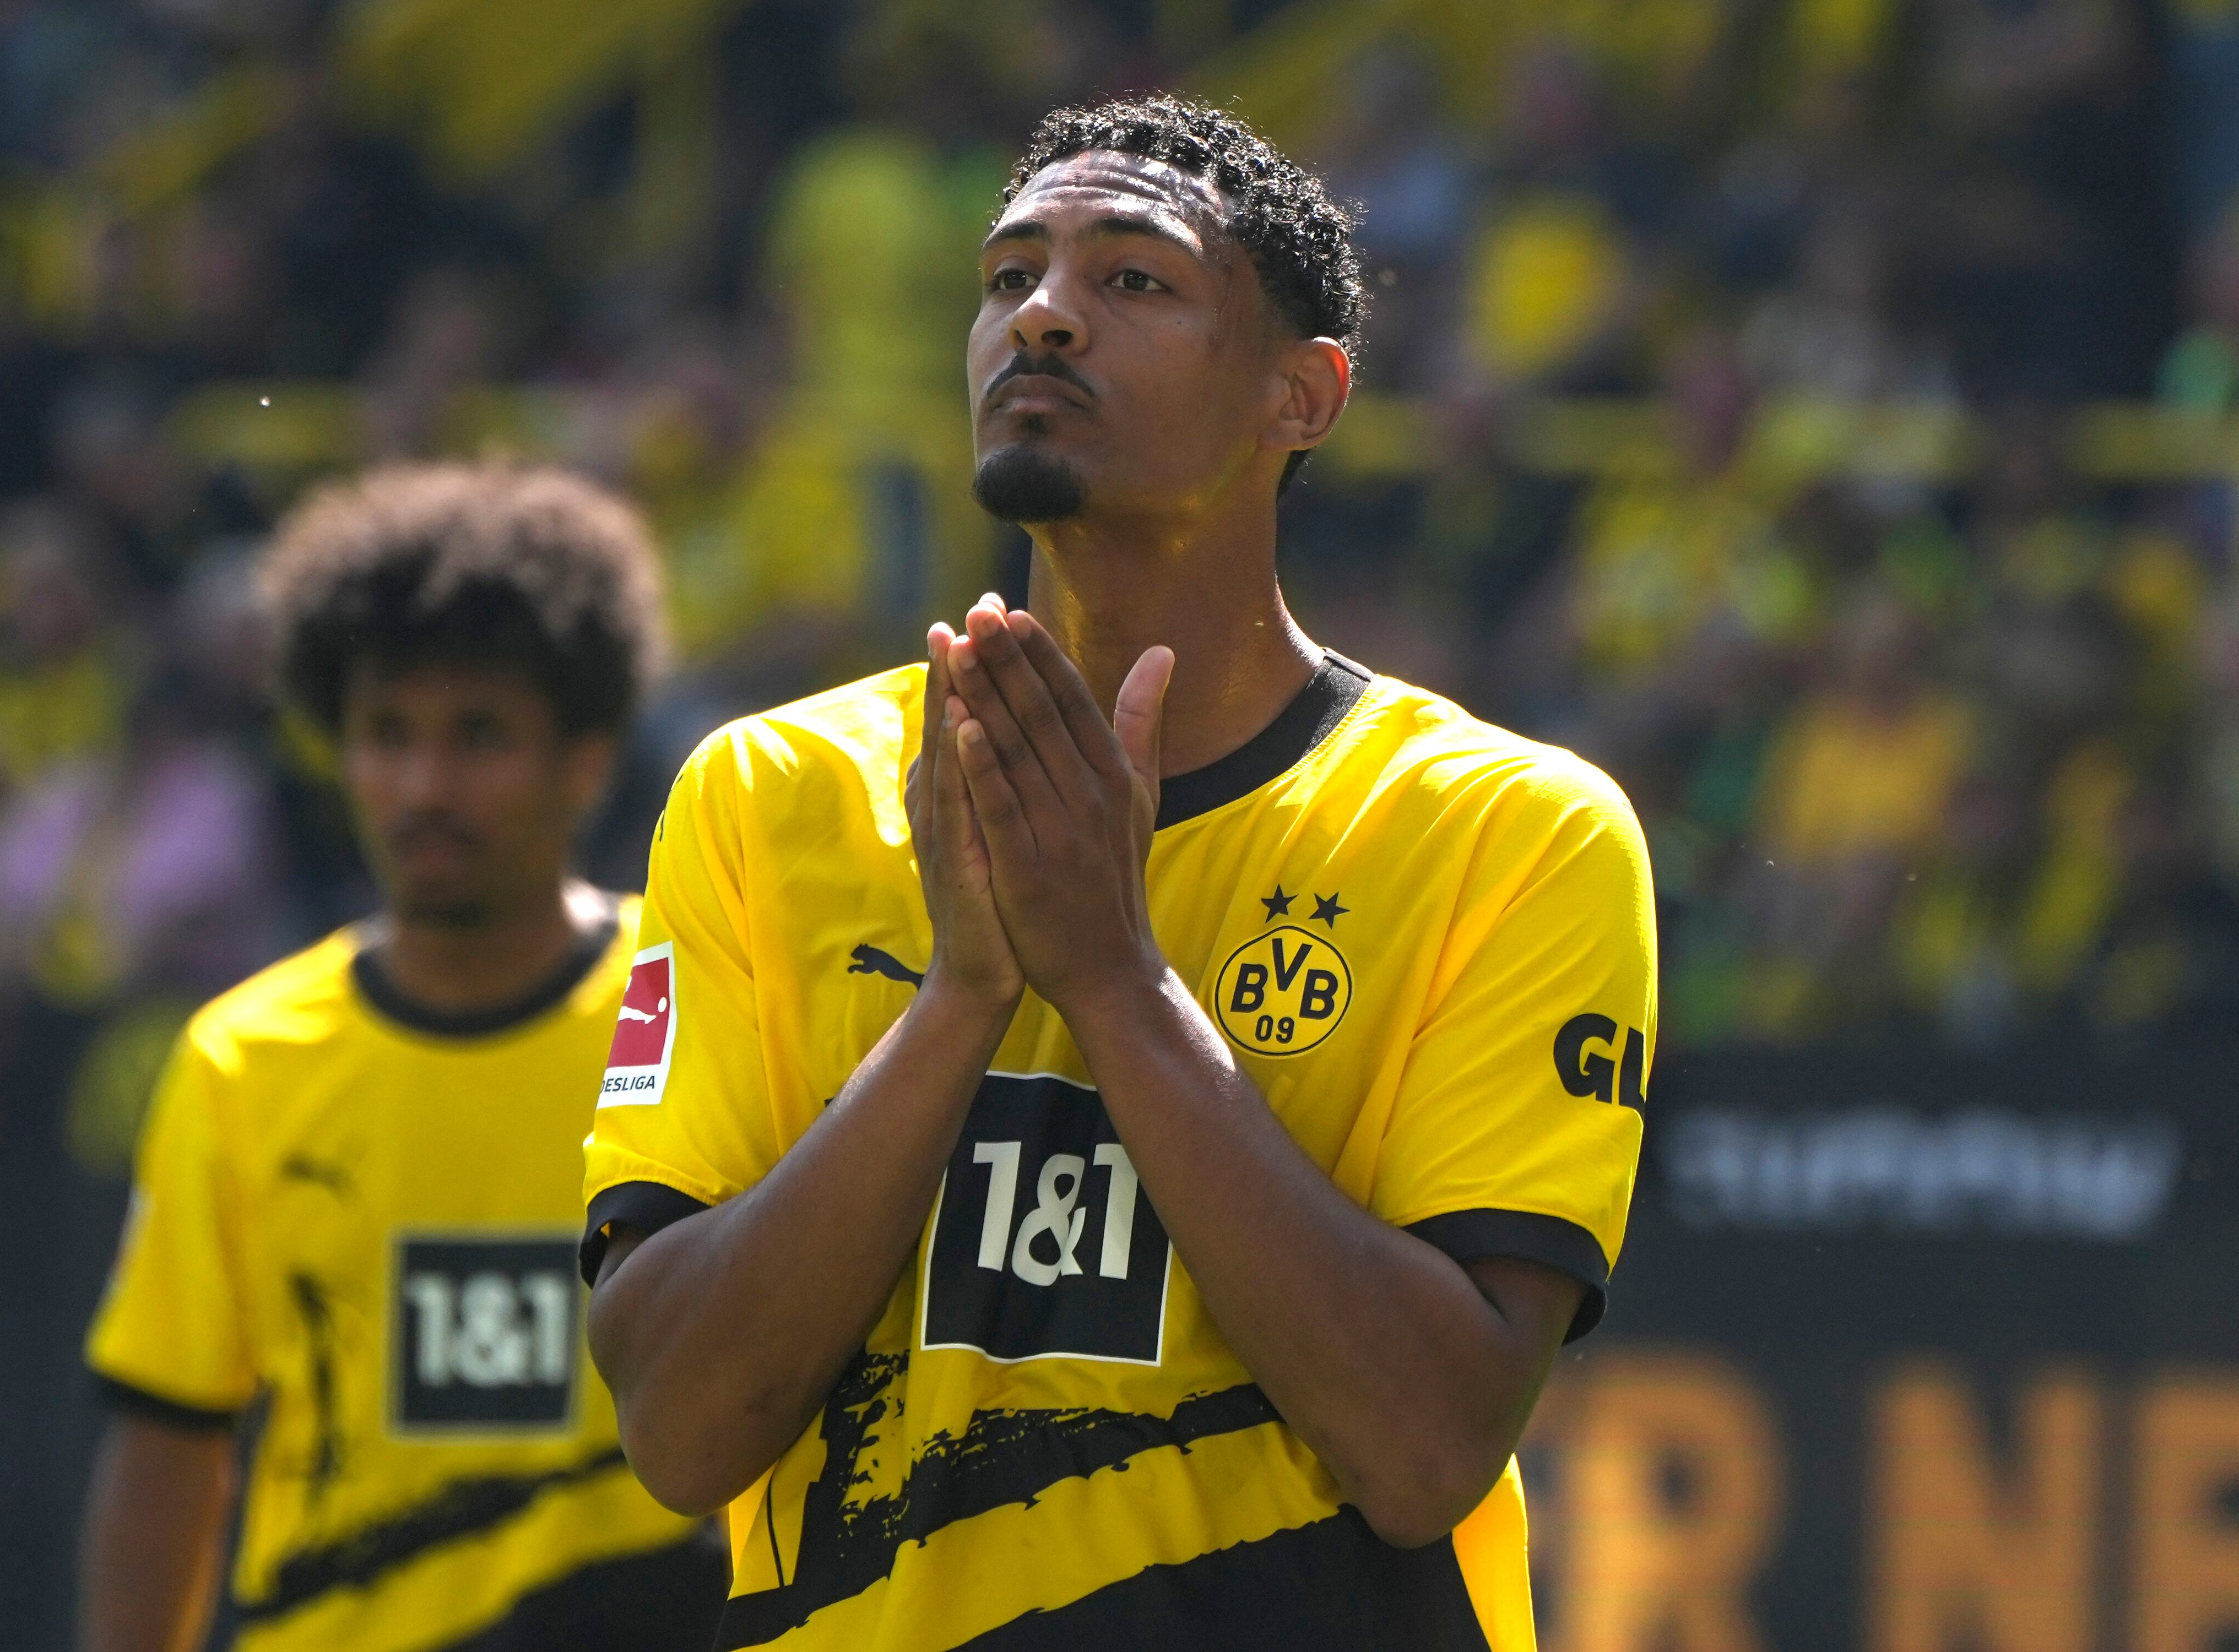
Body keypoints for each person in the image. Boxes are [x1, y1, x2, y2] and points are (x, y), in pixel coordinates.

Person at [582, 95, 1655, 1651]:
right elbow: (680, 1432)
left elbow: (1426, 1452)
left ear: (1303, 396)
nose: (1043, 316)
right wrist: (961, 999)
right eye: (1008, 273)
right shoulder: (770, 794)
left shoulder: (1507, 827)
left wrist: (1110, 978)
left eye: (1131, 280)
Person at [78, 465, 724, 1652]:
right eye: (386, 735)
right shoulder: (244, 1061)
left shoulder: (699, 1002)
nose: (425, 785)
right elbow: (171, 1441)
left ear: (585, 756)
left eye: (480, 736)